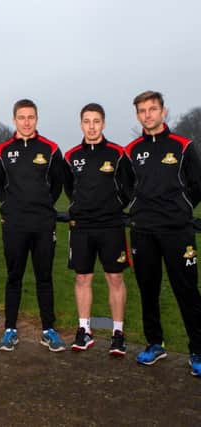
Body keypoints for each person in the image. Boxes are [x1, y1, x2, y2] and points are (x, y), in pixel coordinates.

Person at [125, 90, 201, 376]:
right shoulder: (132, 151)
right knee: (148, 289)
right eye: (142, 111)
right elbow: (126, 187)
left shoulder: (183, 146)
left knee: (187, 290)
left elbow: (197, 184)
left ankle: (197, 349)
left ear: (163, 112)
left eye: (152, 109)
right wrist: (137, 210)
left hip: (177, 232)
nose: (148, 115)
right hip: (143, 231)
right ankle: (155, 344)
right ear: (137, 115)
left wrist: (180, 209)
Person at [0, 99, 66, 352]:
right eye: (21, 117)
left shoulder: (51, 149)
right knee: (14, 276)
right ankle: (9, 330)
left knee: (44, 277)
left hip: (43, 223)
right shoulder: (2, 150)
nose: (26, 122)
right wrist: (11, 206)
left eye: (31, 117)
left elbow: (58, 184)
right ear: (14, 119)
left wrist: (44, 205)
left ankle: (48, 330)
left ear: (37, 119)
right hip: (14, 224)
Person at [63, 103, 132, 355]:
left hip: (111, 225)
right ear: (81, 124)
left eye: (96, 121)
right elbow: (70, 188)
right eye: (86, 121)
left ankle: (118, 333)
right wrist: (81, 206)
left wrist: (113, 207)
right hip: (81, 226)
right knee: (82, 278)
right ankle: (84, 330)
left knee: (114, 278)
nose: (91, 126)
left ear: (103, 123)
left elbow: (128, 187)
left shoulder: (118, 153)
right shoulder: (71, 156)